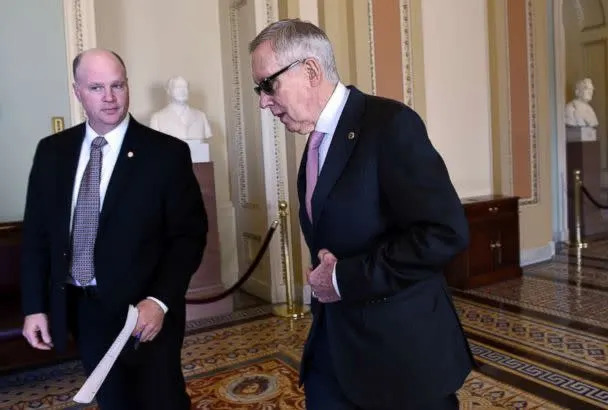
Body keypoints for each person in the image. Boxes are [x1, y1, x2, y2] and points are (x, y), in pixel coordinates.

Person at [249, 19, 474, 409]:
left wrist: (342, 277)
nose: (263, 101)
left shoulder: (389, 125)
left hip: (400, 362)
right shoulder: (315, 143)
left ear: (311, 71)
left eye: (268, 85)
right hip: (335, 354)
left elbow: (444, 233)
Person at [20, 48, 207, 409]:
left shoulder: (166, 154)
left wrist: (159, 300)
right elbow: (37, 237)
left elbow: (189, 236)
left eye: (117, 85)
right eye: (96, 87)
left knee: (161, 399)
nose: (109, 97)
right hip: (83, 309)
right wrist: (35, 307)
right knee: (113, 400)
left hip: (145, 311)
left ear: (127, 86)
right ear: (77, 92)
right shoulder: (52, 152)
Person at [150, 75, 213, 142]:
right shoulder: (157, 118)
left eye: (185, 87)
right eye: (178, 87)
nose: (182, 91)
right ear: (169, 91)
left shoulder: (201, 116)